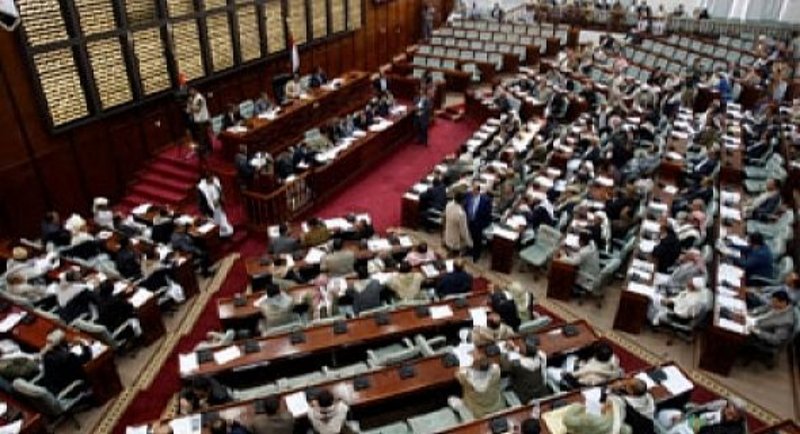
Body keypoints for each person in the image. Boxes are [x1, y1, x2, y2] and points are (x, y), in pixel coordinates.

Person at [548, 342, 622, 389]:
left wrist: (565, 375)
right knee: (571, 357)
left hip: (577, 383)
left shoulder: (589, 370)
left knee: (549, 370)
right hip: (599, 379)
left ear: (595, 354)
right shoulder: (614, 359)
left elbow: (576, 382)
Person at [40, 330, 91, 395]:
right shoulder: (70, 358)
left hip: (57, 390)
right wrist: (83, 343)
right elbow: (87, 357)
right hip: (74, 391)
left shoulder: (47, 358)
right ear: (63, 344)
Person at [500, 339, 548, 404]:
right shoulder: (542, 357)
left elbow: (504, 363)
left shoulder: (516, 363)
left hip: (525, 397)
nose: (520, 346)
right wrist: (515, 348)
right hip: (541, 391)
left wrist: (505, 349)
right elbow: (536, 352)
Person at [747, 290, 795, 355]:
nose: (772, 303)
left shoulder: (786, 321)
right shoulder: (776, 304)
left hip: (758, 331)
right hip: (753, 320)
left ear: (783, 302)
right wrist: (752, 312)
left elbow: (776, 340)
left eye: (775, 302)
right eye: (772, 301)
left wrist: (757, 331)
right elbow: (763, 308)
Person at [562, 395, 632, 434]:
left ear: (608, 407)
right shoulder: (626, 429)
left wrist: (578, 405)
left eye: (605, 403)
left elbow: (566, 420)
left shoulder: (591, 420)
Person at [197, 172, 234, 237]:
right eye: (210, 179)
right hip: (209, 208)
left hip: (218, 204)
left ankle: (224, 234)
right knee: (215, 222)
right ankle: (218, 235)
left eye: (212, 178)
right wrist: (204, 212)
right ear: (206, 180)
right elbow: (201, 202)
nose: (212, 180)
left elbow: (220, 189)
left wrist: (221, 197)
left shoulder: (215, 181)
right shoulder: (201, 188)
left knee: (222, 219)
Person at [464, 184, 493, 262]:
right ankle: (469, 251)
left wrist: (482, 223)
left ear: (478, 191)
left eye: (474, 190)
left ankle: (476, 254)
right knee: (469, 236)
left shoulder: (486, 200)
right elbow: (465, 205)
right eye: (472, 189)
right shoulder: (468, 196)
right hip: (469, 221)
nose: (472, 191)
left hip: (479, 222)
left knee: (477, 239)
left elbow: (488, 213)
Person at [186, 87, 211, 157]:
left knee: (203, 136)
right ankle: (204, 150)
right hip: (197, 120)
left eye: (191, 91)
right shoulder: (192, 99)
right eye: (189, 92)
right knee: (201, 136)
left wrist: (191, 105)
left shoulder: (199, 98)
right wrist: (189, 105)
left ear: (194, 90)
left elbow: (198, 109)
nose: (190, 93)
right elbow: (188, 111)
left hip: (202, 120)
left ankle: (207, 150)